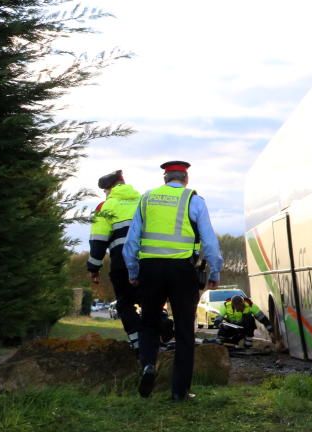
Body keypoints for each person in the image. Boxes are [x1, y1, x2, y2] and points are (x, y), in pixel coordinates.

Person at [123, 160, 223, 400]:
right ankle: (180, 391)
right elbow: (209, 242)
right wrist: (215, 272)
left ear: (165, 179)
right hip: (183, 271)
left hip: (150, 268)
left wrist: (133, 271)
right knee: (184, 330)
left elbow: (131, 242)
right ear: (185, 179)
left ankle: (148, 365)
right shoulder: (194, 200)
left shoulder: (147, 199)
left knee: (148, 322)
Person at [87, 170, 142, 353]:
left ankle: (138, 344)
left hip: (122, 264)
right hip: (151, 262)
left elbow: (98, 241)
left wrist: (94, 268)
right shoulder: (144, 201)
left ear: (108, 189)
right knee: (151, 301)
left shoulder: (105, 207)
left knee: (124, 304)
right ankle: (160, 329)